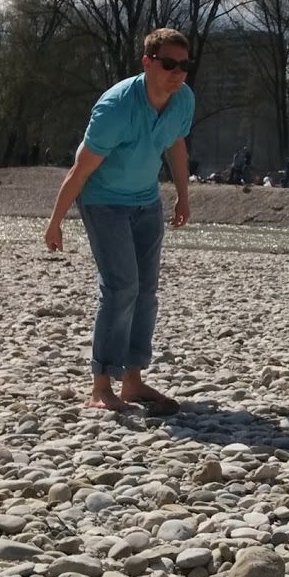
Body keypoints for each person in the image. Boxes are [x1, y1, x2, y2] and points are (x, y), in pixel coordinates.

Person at [45, 27, 194, 414]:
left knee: (145, 293)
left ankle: (132, 382)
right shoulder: (115, 109)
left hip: (146, 202)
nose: (177, 72)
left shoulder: (182, 100)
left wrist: (182, 194)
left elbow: (176, 143)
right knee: (120, 288)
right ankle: (100, 387)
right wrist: (55, 220)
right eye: (168, 64)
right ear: (148, 63)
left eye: (183, 65)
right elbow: (80, 169)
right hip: (103, 203)